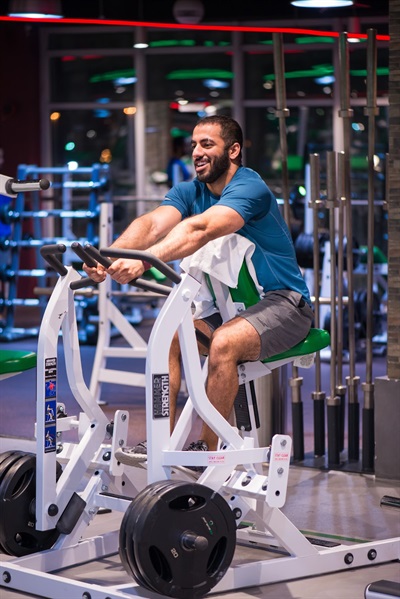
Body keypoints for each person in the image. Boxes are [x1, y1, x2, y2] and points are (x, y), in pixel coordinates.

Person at [83, 115, 313, 462]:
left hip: (286, 304)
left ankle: (207, 451)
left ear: (233, 151)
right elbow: (151, 225)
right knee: (171, 338)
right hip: (232, 309)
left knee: (223, 342)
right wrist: (108, 256)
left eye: (207, 144)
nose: (197, 152)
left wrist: (143, 262)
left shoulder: (250, 188)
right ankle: (160, 446)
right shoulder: (190, 191)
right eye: (194, 145)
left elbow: (200, 229)